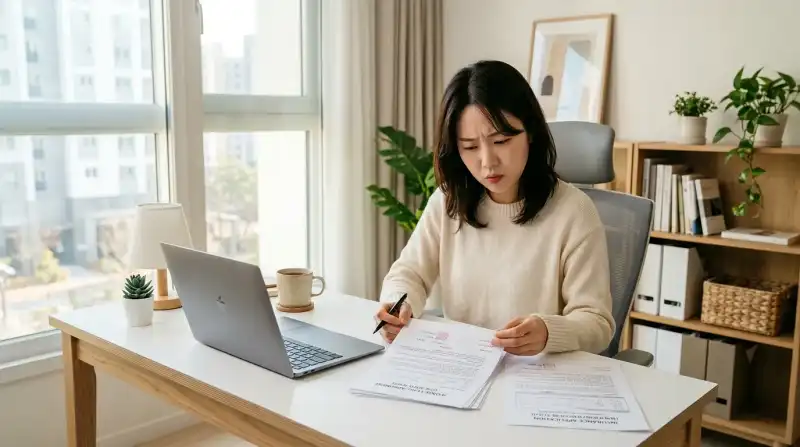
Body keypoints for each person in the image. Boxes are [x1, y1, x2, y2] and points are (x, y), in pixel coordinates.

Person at [374, 60, 615, 356]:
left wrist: (549, 332)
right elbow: (409, 273)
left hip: (537, 376)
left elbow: (596, 321)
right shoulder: (448, 201)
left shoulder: (574, 212)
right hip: (462, 368)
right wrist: (399, 304)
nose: (488, 162)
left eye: (501, 140)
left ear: (531, 133)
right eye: (470, 147)